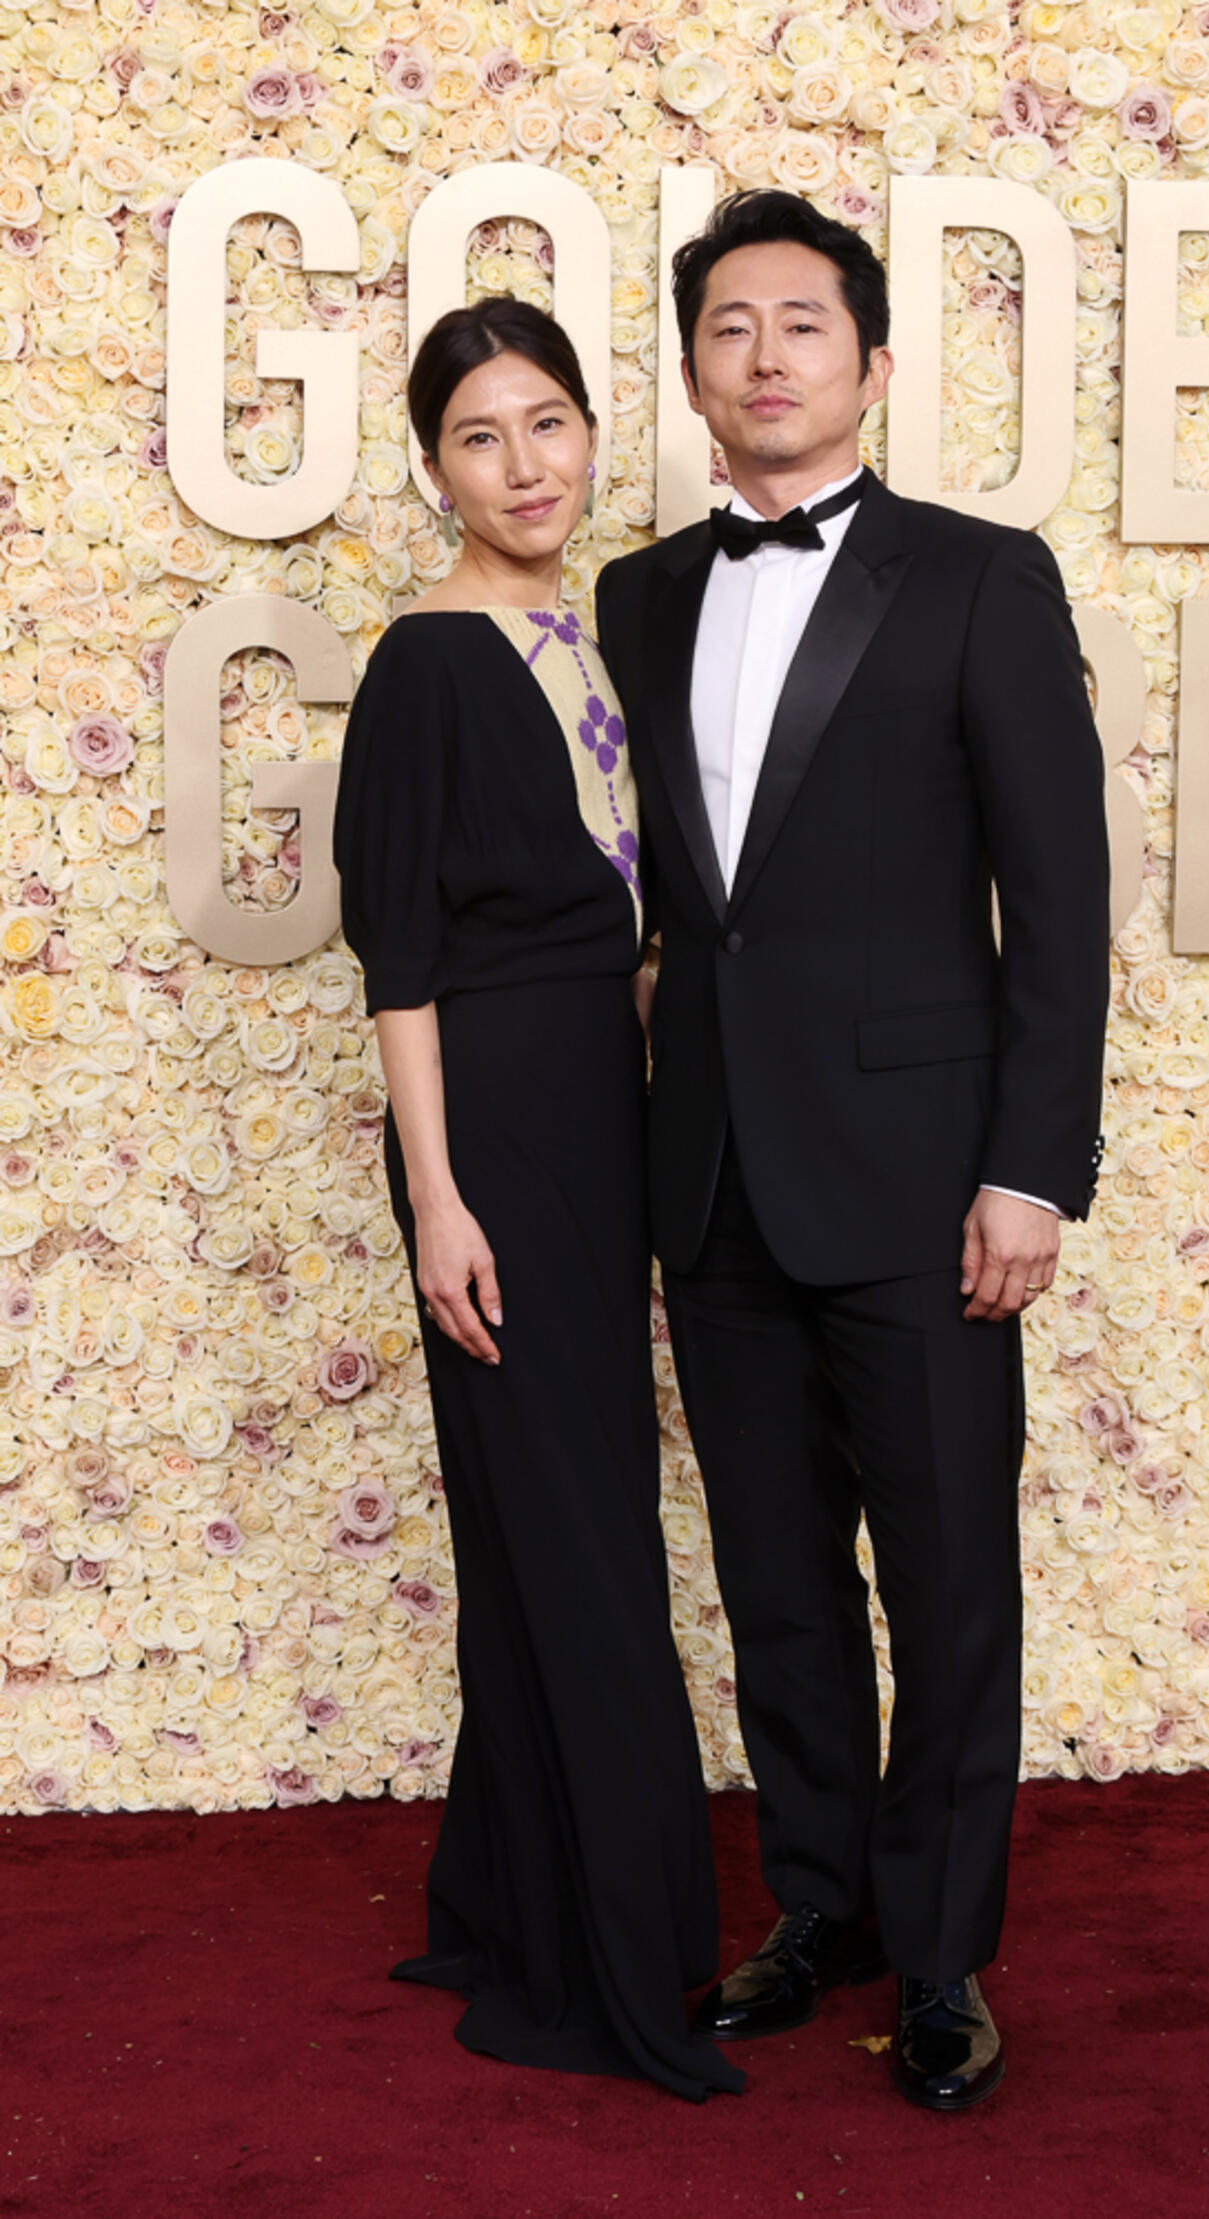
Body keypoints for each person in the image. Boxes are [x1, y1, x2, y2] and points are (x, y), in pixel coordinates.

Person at [595, 191, 1110, 2113]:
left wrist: (1033, 1168)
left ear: (870, 363)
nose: (768, 357)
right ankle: (821, 1903)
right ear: (698, 369)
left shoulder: (983, 576)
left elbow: (1059, 901)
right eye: (732, 327)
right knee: (777, 1572)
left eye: (804, 325)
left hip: (924, 1176)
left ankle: (950, 1951)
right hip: (712, 1164)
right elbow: (664, 891)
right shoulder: (638, 597)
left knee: (951, 1571)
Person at [331, 295, 741, 2104]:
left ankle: (521, 1897)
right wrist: (438, 1196)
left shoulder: (608, 635)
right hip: (493, 1122)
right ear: (435, 468)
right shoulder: (424, 661)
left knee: (557, 1518)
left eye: (553, 424)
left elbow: (635, 917)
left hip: (607, 1103)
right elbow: (399, 959)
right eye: (484, 437)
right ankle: (620, 1967)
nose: (528, 466)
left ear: (593, 435)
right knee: (576, 1529)